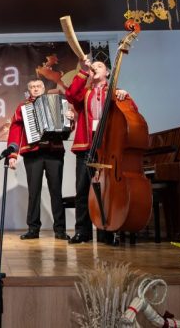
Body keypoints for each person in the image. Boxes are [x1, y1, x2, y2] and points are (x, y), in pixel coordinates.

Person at [64, 58, 134, 244]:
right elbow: (71, 94)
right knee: (82, 190)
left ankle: (107, 231)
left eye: (99, 66)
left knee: (106, 191)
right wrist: (83, 71)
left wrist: (125, 96)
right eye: (93, 66)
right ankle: (82, 232)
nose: (95, 67)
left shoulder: (115, 93)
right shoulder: (85, 93)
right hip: (86, 147)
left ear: (108, 73)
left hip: (108, 149)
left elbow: (132, 114)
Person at [7, 80, 71, 241]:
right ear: (29, 90)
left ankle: (60, 230)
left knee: (56, 191)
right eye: (32, 87)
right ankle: (33, 229)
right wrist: (13, 155)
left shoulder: (57, 102)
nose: (35, 89)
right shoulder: (23, 107)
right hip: (33, 153)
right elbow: (15, 130)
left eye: (38, 87)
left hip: (54, 152)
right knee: (34, 192)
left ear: (43, 88)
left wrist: (70, 119)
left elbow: (67, 126)